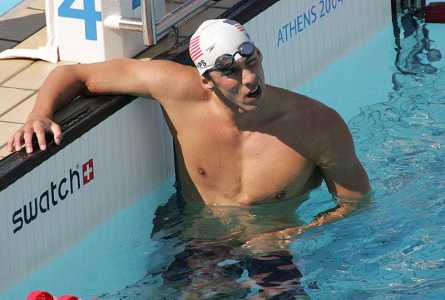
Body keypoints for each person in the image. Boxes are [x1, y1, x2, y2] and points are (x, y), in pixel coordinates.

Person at [9, 19, 370, 298]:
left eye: (252, 61)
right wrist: (39, 114)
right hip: (198, 238)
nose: (249, 79)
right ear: (206, 80)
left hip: (275, 243)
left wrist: (295, 234)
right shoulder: (176, 89)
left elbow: (357, 203)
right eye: (229, 71)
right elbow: (74, 74)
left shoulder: (317, 124)